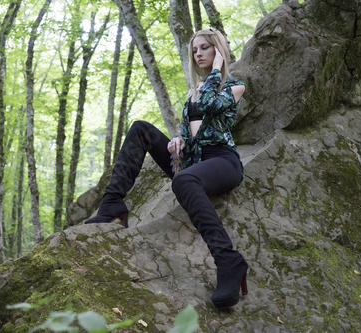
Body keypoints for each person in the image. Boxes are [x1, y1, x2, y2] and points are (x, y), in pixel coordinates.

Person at [85, 28, 248, 309]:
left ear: (218, 51)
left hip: (222, 161)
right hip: (193, 162)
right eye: (195, 50)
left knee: (183, 181)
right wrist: (178, 141)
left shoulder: (234, 87)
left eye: (205, 48)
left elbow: (210, 105)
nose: (198, 54)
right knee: (141, 129)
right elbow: (190, 131)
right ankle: (112, 204)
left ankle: (228, 261)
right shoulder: (191, 93)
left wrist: (219, 68)